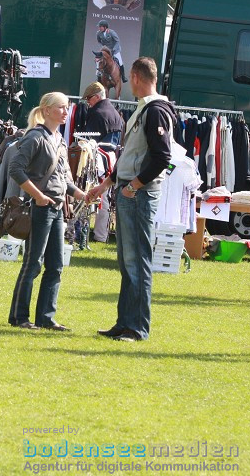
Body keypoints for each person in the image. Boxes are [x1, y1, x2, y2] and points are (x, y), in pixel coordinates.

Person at [86, 57, 175, 341]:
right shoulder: (144, 109)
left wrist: (134, 185)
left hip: (139, 194)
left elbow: (163, 158)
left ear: (135, 77)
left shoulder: (155, 110)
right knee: (127, 262)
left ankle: (137, 328)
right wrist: (107, 183)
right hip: (128, 189)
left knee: (138, 261)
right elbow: (130, 153)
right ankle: (124, 322)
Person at [7, 92, 86, 331]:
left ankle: (46, 317)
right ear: (47, 110)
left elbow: (63, 179)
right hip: (41, 208)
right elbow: (15, 168)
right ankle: (20, 317)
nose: (65, 112)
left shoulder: (60, 140)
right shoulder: (35, 137)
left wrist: (80, 194)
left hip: (57, 208)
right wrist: (38, 196)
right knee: (33, 264)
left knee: (55, 265)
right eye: (61, 107)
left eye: (67, 107)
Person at [83, 81, 124, 242]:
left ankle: (83, 233)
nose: (88, 102)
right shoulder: (115, 113)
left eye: (89, 98)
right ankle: (101, 233)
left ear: (97, 97)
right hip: (111, 158)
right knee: (104, 196)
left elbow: (89, 139)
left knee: (90, 194)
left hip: (96, 157)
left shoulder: (96, 113)